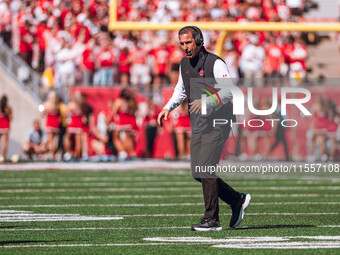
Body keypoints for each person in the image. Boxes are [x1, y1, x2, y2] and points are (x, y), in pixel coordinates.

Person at [157, 26, 251, 231]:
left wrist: (208, 102)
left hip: (218, 121)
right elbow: (181, 90)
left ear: (199, 40)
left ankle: (212, 219)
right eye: (182, 43)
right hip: (199, 122)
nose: (185, 47)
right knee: (198, 172)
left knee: (206, 167)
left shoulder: (215, 62)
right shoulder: (184, 63)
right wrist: (167, 107)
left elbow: (229, 90)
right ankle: (236, 199)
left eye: (188, 42)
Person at [0, 95, 12, 162]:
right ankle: (3, 157)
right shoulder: (8, 108)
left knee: (4, 143)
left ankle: (3, 157)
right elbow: (11, 118)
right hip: (5, 127)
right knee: (5, 143)